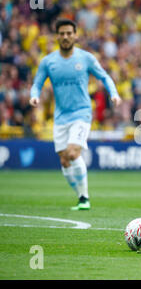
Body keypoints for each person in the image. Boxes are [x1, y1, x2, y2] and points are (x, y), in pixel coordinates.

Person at [29, 19, 122, 210]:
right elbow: (37, 83)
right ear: (57, 36)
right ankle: (81, 196)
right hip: (60, 116)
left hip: (82, 113)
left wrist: (113, 93)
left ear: (75, 35)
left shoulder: (85, 58)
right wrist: (34, 96)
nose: (65, 37)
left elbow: (104, 76)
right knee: (64, 160)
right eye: (62, 33)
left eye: (69, 33)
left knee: (73, 152)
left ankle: (85, 198)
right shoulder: (48, 62)